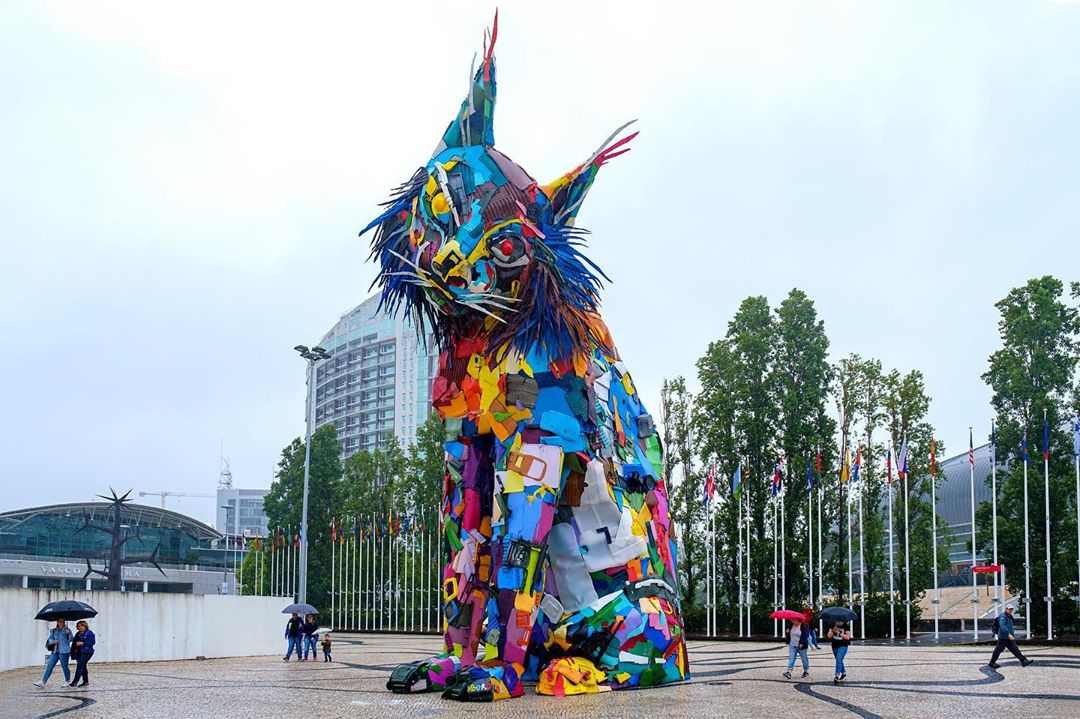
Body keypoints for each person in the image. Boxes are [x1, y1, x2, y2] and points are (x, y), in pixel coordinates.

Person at [988, 605, 1033, 669]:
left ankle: (1024, 661)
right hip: (1003, 637)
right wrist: (1008, 634)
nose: (1010, 610)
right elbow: (1002, 625)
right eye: (1009, 609)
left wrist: (1010, 635)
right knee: (998, 650)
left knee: (1015, 649)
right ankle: (992, 663)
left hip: (1009, 638)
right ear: (1006, 609)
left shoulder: (1009, 616)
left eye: (1011, 609)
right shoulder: (1003, 616)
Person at [34, 619, 73, 688]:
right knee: (50, 665)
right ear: (57, 622)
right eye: (60, 621)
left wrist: (68, 634)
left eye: (63, 621)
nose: (62, 623)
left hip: (64, 651)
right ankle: (43, 681)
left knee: (64, 666)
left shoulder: (68, 630)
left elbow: (71, 639)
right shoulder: (53, 631)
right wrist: (53, 641)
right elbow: (50, 640)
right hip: (55, 651)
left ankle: (67, 681)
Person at [69, 620, 96, 688]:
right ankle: (85, 682)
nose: (79, 627)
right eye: (78, 626)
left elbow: (92, 642)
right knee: (83, 666)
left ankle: (75, 682)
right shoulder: (78, 634)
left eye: (81, 626)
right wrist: (72, 652)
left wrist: (82, 643)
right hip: (79, 652)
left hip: (87, 652)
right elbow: (74, 643)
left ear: (85, 626)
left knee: (80, 666)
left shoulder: (89, 633)